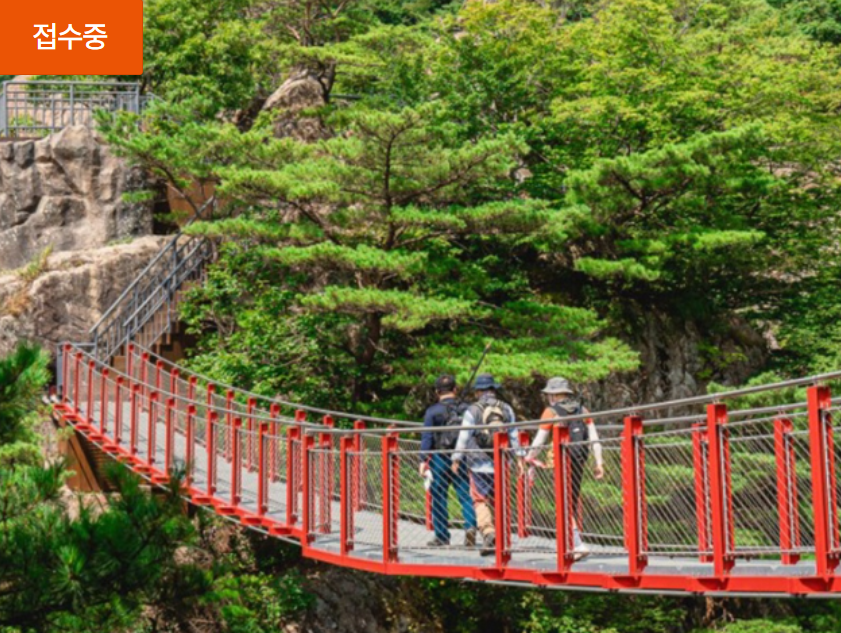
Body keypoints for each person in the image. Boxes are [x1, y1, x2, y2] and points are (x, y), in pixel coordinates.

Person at [528, 376, 603, 559]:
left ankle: (577, 544)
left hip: (560, 462)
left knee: (563, 503)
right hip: (579, 460)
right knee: (571, 501)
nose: (548, 398)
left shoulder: (551, 412)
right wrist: (599, 462)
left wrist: (529, 457)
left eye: (548, 395)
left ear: (553, 395)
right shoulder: (582, 409)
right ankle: (570, 544)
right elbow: (594, 438)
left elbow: (540, 440)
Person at [451, 373, 520, 556]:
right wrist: (520, 457)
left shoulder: (473, 410)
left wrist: (456, 458)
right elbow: (514, 435)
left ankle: (488, 533)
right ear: (493, 390)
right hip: (502, 461)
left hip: (478, 462)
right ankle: (503, 539)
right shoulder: (506, 408)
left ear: (478, 392)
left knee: (480, 499)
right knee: (499, 499)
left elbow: (464, 436)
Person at [419, 374, 479, 548]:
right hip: (462, 457)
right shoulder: (467, 409)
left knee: (438, 496)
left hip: (440, 457)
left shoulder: (432, 411)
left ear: (437, 392)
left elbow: (427, 436)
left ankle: (442, 536)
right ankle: (470, 527)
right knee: (466, 495)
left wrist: (423, 459)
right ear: (455, 389)